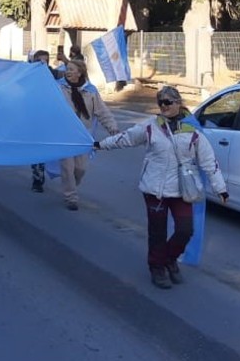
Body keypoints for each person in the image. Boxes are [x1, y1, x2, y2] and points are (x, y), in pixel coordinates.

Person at [97, 86, 229, 289]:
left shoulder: (192, 131)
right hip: (154, 189)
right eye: (161, 103)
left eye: (168, 102)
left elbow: (209, 162)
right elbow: (126, 139)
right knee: (157, 232)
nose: (164, 106)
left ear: (179, 103)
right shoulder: (150, 127)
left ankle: (169, 258)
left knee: (185, 230)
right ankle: (157, 267)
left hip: (182, 190)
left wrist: (220, 189)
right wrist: (101, 144)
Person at [58, 60, 121, 211]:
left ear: (80, 72)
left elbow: (102, 111)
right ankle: (71, 197)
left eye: (72, 69)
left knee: (80, 169)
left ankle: (72, 184)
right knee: (67, 167)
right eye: (67, 69)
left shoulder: (90, 91)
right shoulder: (58, 87)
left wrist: (112, 128)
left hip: (83, 136)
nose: (68, 71)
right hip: (65, 135)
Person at [29, 49, 54, 192]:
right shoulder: (28, 75)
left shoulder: (53, 74)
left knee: (43, 149)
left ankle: (40, 175)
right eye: (39, 61)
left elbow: (77, 73)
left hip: (47, 118)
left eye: (45, 61)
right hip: (33, 118)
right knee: (35, 150)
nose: (43, 64)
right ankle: (37, 179)